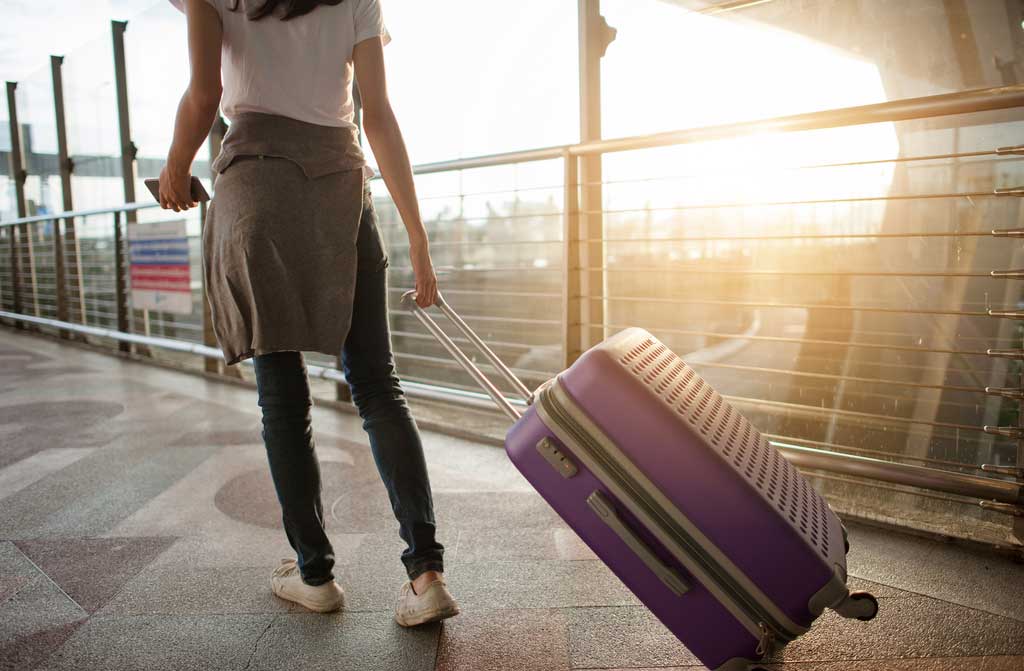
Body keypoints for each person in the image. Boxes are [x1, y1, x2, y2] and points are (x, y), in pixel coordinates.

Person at [159, 0, 459, 627]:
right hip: (340, 188)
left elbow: (204, 91)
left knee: (282, 399)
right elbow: (377, 115)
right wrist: (418, 238)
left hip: (257, 189)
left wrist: (173, 168)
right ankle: (425, 575)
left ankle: (313, 574)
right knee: (378, 386)